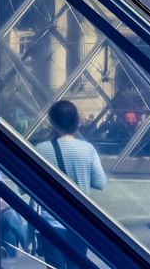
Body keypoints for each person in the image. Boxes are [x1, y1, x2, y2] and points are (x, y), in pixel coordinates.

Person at [34, 100, 107, 269]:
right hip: (79, 223)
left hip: (51, 224)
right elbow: (101, 183)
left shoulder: (41, 149)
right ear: (77, 121)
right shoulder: (88, 149)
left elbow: (25, 187)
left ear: (52, 122)